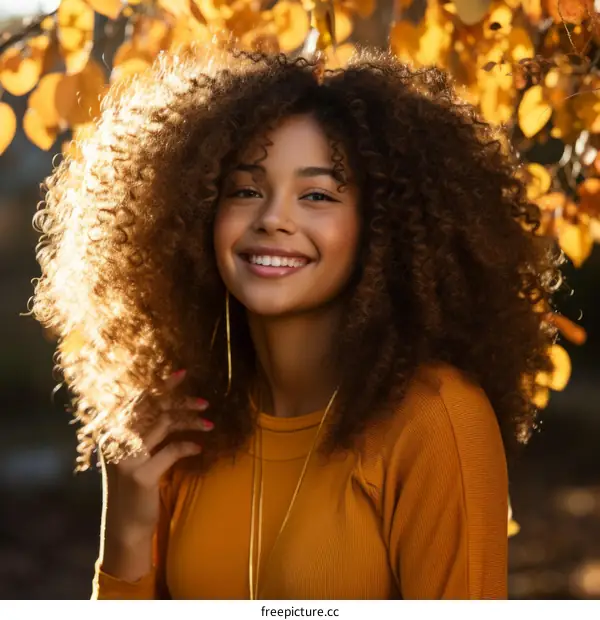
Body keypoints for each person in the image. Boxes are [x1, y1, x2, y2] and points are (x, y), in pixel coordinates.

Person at [31, 43, 560, 600]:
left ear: (383, 228)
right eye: (246, 190)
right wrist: (128, 529)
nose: (274, 219)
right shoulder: (181, 427)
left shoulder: (435, 420)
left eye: (316, 194)